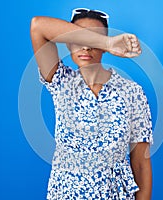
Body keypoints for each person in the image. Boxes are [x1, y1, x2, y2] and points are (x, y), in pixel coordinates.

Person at [30, 8, 153, 200]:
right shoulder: (61, 82)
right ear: (68, 43)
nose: (86, 48)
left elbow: (140, 163)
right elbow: (38, 26)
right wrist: (108, 41)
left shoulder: (131, 92)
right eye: (80, 39)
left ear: (104, 49)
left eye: (93, 40)